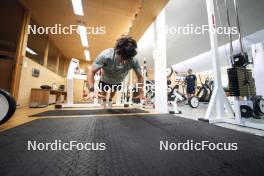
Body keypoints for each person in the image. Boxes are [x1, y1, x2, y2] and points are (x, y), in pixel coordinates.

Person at [86, 35, 145, 108]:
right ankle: (104, 101)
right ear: (117, 51)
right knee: (103, 93)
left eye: (127, 59)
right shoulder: (105, 55)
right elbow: (91, 72)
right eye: (122, 58)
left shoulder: (134, 60)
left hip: (118, 81)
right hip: (105, 80)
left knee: (113, 93)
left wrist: (141, 92)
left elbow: (140, 76)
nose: (123, 61)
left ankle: (110, 100)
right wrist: (92, 90)